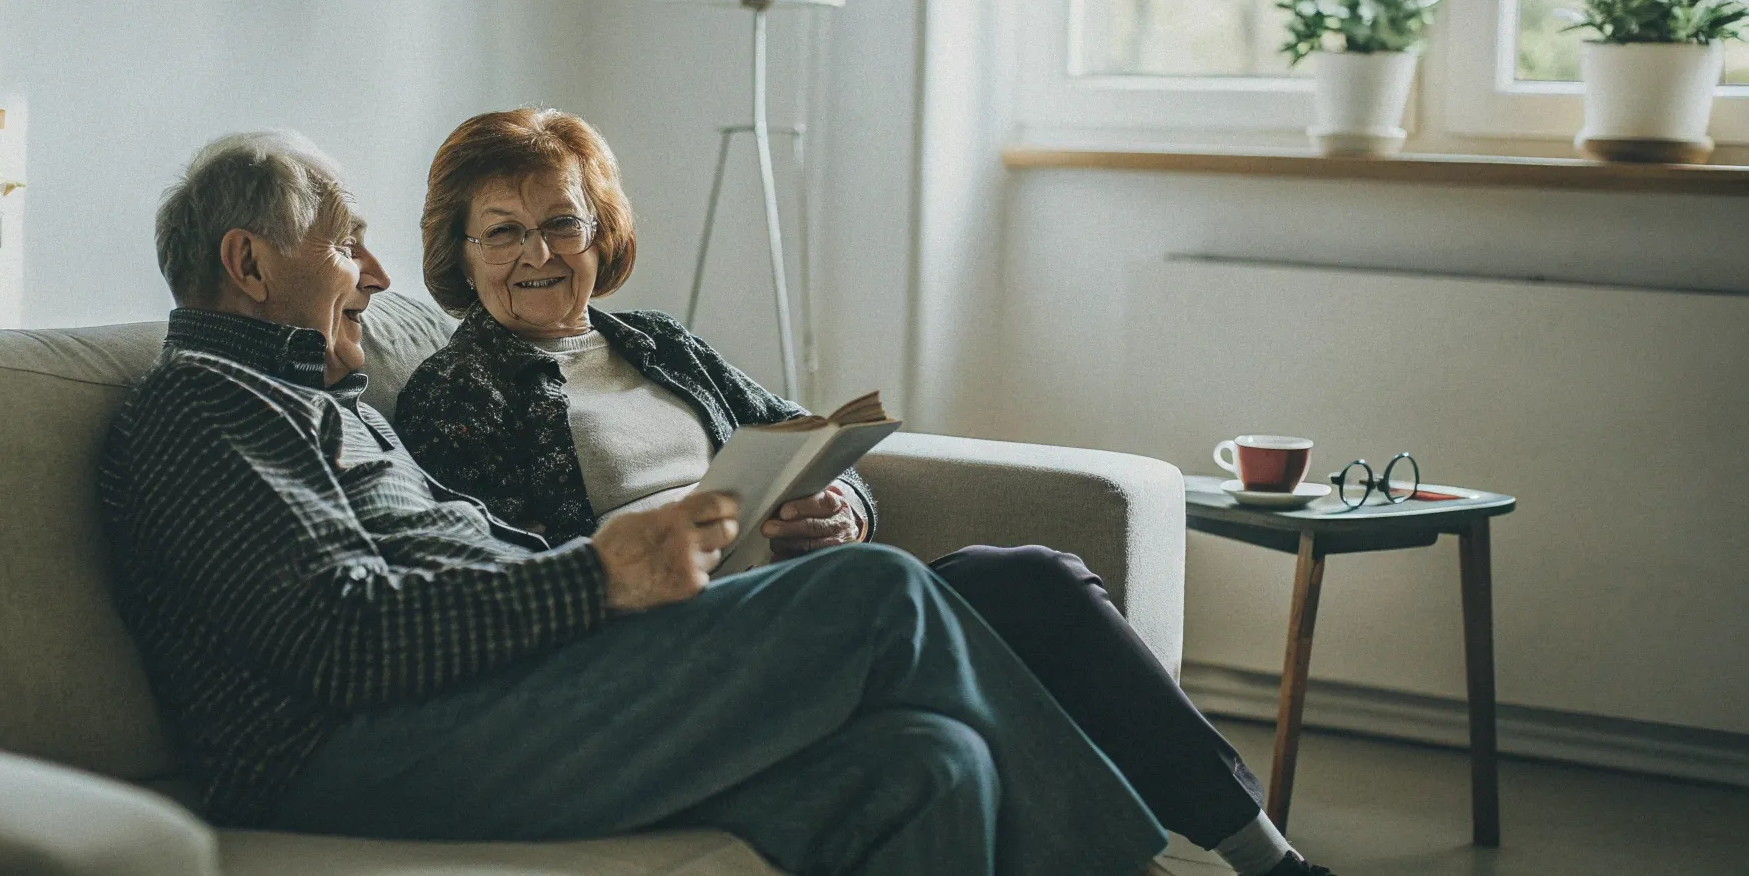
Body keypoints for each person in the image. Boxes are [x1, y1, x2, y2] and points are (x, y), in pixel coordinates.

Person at [99, 130, 1175, 876]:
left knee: (929, 763)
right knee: (873, 597)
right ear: (247, 263)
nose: (375, 273)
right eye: (344, 240)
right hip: (351, 754)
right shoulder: (198, 409)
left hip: (495, 698)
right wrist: (602, 577)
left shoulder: (319, 397)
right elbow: (340, 638)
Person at [394, 108, 1334, 876]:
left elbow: (807, 439)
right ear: (462, 254)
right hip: (685, 641)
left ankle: (1266, 856)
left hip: (800, 591)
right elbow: (511, 577)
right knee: (1005, 602)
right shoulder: (458, 392)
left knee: (1035, 579)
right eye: (504, 233)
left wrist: (843, 506)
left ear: (601, 229)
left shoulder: (657, 343)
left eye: (562, 223)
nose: (539, 255)